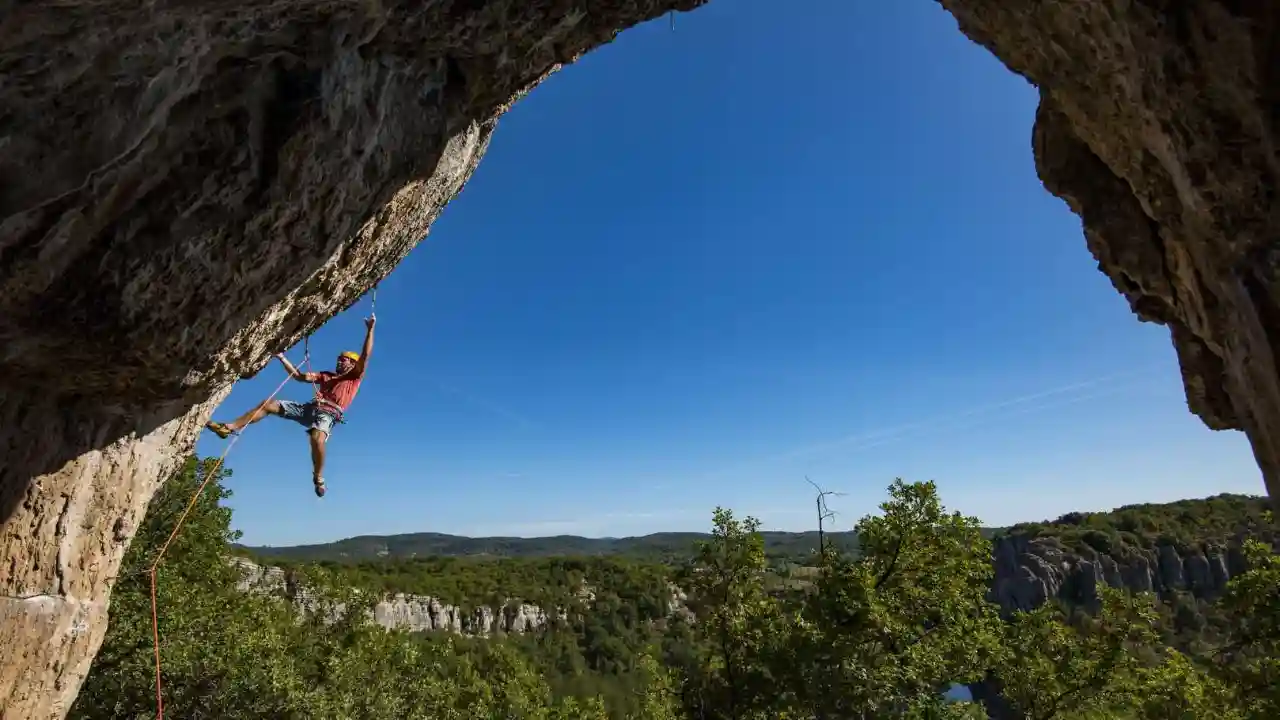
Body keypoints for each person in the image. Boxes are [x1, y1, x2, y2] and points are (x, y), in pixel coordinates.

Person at [205, 315, 376, 497]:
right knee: (268, 405)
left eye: (343, 360)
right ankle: (228, 428)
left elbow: (365, 355)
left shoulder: (354, 377)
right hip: (309, 409)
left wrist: (370, 329)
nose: (339, 361)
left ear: (352, 363)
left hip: (328, 414)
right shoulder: (326, 375)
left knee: (316, 438)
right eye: (339, 359)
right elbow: (299, 376)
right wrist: (282, 358)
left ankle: (318, 477)